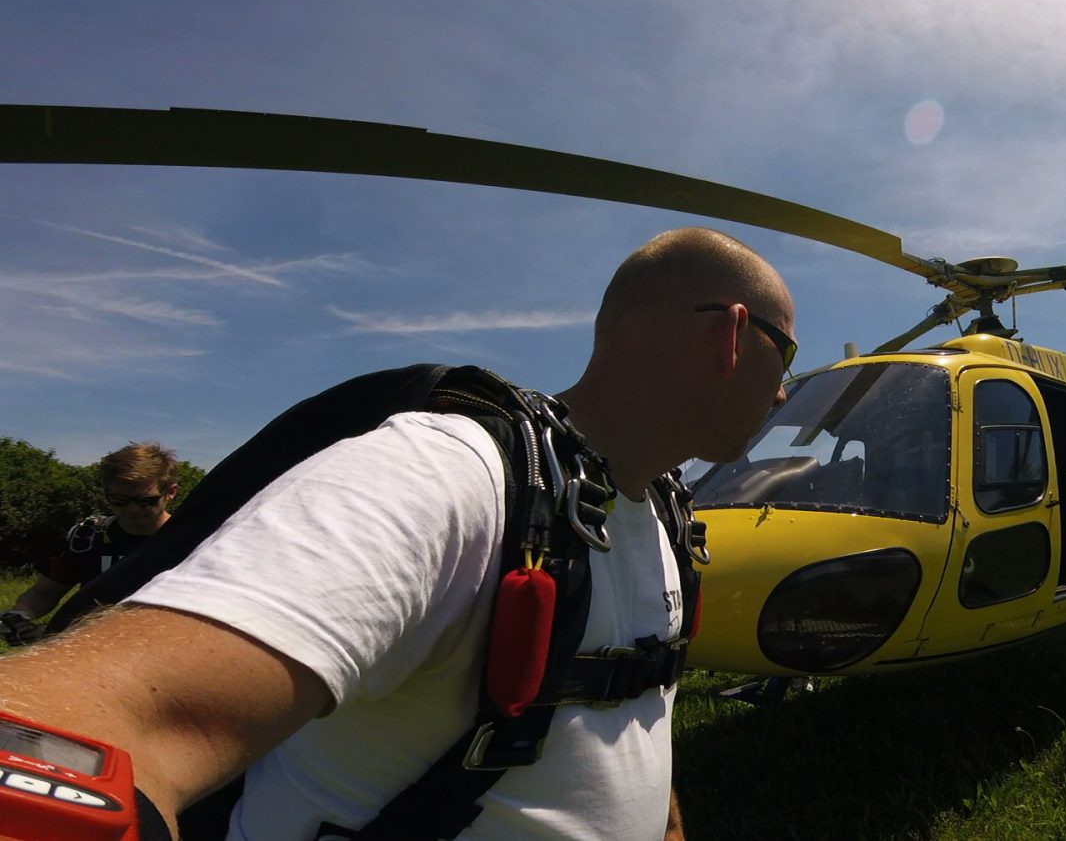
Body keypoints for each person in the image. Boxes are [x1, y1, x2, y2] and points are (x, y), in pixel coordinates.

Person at [0, 226, 796, 840]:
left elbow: (630, 715)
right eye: (785, 352)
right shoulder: (446, 476)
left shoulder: (666, 512)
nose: (786, 389)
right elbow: (95, 722)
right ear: (729, 336)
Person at [0, 442, 180, 645]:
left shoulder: (192, 541)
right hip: (91, 650)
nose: (132, 509)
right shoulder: (86, 538)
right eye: (119, 500)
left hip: (166, 649)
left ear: (171, 492)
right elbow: (45, 592)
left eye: (145, 501)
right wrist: (20, 615)